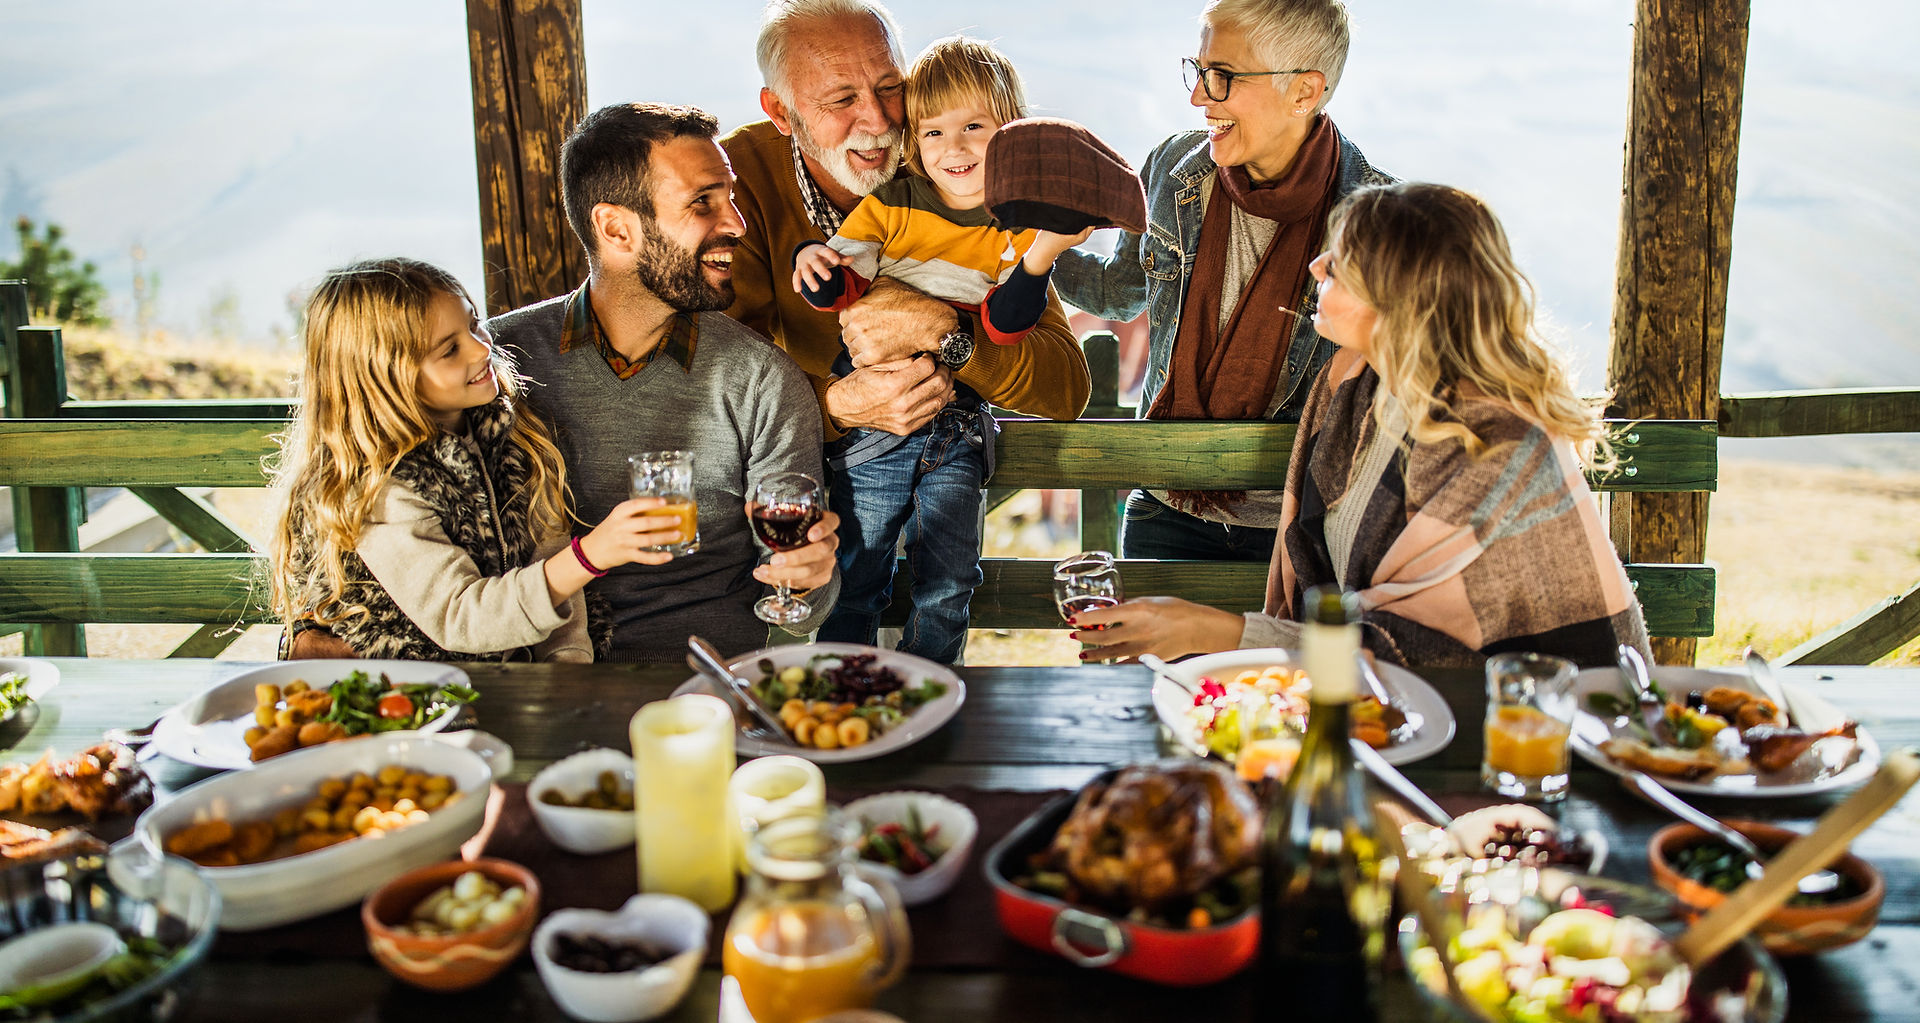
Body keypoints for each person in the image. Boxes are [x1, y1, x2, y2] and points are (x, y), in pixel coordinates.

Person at [1070, 183, 1652, 670]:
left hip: (1543, 722)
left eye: (1342, 258)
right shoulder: (1354, 384)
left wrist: (1210, 630)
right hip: (1404, 711)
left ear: (1403, 290)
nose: (1318, 265)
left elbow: (1421, 657)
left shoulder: (1494, 443)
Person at [488, 102, 842, 662]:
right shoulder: (495, 362)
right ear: (616, 228)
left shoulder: (762, 377)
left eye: (729, 199)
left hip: (704, 688)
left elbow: (806, 594)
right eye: (703, 202)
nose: (737, 224)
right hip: (534, 684)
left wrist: (808, 575)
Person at [786, 36, 1093, 663]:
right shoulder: (893, 204)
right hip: (876, 421)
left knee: (950, 582)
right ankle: (843, 682)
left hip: (960, 426)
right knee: (860, 571)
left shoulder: (1020, 223)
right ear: (914, 142)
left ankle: (934, 682)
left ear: (1011, 133)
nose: (953, 147)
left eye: (975, 127)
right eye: (932, 133)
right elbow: (841, 280)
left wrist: (1042, 256)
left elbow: (1009, 327)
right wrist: (813, 261)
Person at [1053, 0, 1390, 564]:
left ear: (1305, 92)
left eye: (1222, 78)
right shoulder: (1174, 167)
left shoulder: (1374, 217)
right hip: (1166, 505)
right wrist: (1027, 252)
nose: (1197, 97)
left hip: (1299, 524)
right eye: (1198, 70)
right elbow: (1119, 291)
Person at [721, 0, 1091, 465]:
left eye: (889, 87)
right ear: (781, 110)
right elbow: (714, 391)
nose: (878, 122)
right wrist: (839, 405)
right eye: (842, 99)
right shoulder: (735, 181)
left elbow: (1065, 389)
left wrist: (943, 330)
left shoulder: (951, 173)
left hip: (944, 459)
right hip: (800, 479)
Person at [267, 257, 680, 662]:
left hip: (506, 684)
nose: (482, 349)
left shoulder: (514, 435)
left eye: (474, 323)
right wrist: (590, 555)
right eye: (449, 350)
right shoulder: (380, 488)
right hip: (418, 695)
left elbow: (549, 564)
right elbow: (461, 616)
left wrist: (568, 670)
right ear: (385, 377)